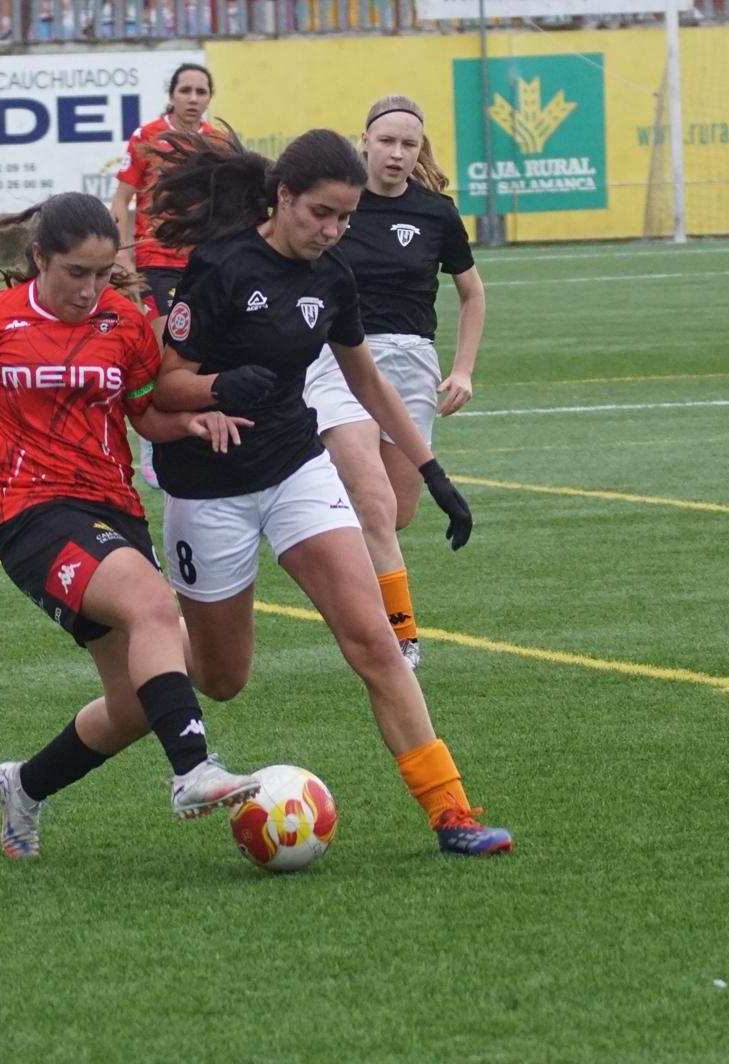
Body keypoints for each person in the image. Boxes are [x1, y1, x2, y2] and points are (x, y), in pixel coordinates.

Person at [145, 127, 512, 855]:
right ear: (282, 198)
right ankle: (148, 666)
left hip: (293, 469)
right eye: (320, 213)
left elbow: (364, 376)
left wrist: (431, 470)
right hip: (209, 489)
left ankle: (453, 813)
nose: (333, 230)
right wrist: (220, 387)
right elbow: (163, 384)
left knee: (374, 639)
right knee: (223, 678)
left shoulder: (331, 275)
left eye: (344, 217)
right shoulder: (219, 267)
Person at [0, 192, 261, 860]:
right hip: (32, 516)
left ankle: (25, 784)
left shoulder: (127, 324)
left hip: (114, 514)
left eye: (103, 274)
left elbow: (144, 416)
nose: (90, 289)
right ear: (40, 258)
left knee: (138, 703)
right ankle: (193, 769)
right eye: (76, 273)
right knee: (151, 604)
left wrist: (189, 422)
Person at [303, 95, 486, 671]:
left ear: (419, 149)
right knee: (376, 505)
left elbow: (472, 292)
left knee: (394, 514)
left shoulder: (437, 213)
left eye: (409, 144)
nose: (397, 153)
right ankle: (400, 639)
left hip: (411, 366)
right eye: (387, 141)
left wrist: (462, 370)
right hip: (338, 362)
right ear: (365, 142)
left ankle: (306, 521)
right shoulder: (339, 208)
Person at [110, 62, 217, 487]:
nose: (193, 98)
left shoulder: (219, 143)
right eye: (186, 90)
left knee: (199, 352)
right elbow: (120, 201)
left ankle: (194, 438)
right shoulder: (146, 136)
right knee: (159, 350)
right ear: (172, 95)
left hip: (204, 264)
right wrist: (123, 258)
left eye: (201, 91)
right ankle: (152, 440)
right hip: (155, 260)